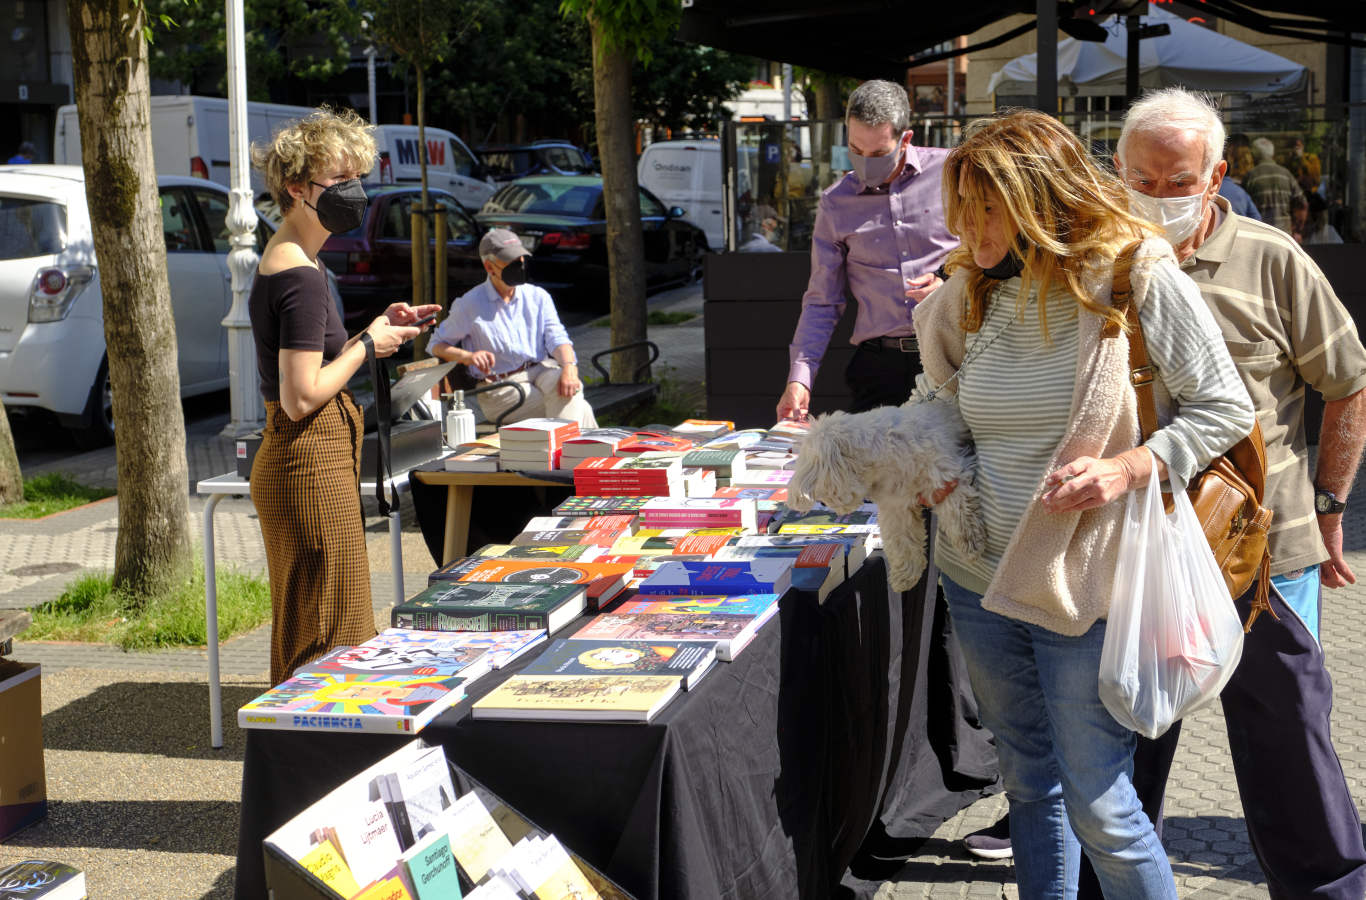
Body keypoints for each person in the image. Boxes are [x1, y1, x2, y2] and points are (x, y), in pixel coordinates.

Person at [912, 108, 1254, 897]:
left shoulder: (1133, 274)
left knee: (1102, 805)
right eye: (960, 207)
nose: (969, 227)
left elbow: (1224, 407)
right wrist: (927, 458)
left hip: (1085, 581)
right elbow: (939, 404)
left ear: (1041, 198)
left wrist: (1128, 467)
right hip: (976, 575)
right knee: (1030, 787)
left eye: (986, 206)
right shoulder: (969, 292)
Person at [1079, 86, 1366, 900]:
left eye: (1179, 181)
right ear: (1117, 171)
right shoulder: (1098, 263)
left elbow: (1347, 381)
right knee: (1129, 740)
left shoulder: (1272, 259)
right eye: (1144, 178)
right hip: (1132, 548)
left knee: (1290, 745)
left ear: (1218, 175)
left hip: (1263, 552)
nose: (1160, 197)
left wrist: (1333, 504)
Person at [248, 107, 437, 685]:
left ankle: (306, 758)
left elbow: (306, 370)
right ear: (297, 189)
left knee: (318, 623)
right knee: (327, 636)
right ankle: (308, 761)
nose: (354, 193)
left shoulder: (293, 260)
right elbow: (301, 396)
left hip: (307, 463)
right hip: (306, 464)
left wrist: (372, 330)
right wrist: (368, 344)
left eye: (359, 178)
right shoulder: (301, 276)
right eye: (340, 181)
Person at [775, 79, 956, 420]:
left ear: (905, 140)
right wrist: (800, 378)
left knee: (952, 468)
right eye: (855, 151)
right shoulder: (836, 203)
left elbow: (988, 253)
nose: (865, 162)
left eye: (877, 154)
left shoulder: (953, 174)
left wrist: (950, 286)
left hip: (952, 354)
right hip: (879, 366)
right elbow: (822, 300)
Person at [429, 228, 596, 429]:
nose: (519, 266)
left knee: (570, 386)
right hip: (500, 388)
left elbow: (558, 338)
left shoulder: (537, 296)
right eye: (511, 262)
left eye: (521, 260)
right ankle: (581, 456)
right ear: (489, 267)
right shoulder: (470, 304)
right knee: (578, 407)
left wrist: (570, 367)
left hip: (539, 371)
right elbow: (436, 345)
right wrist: (467, 357)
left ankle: (570, 454)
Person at [1242, 136, 1302, 233]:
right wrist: (1297, 229)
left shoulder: (1251, 176)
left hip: (1261, 234)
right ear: (1272, 153)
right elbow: (1302, 203)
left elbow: (1243, 208)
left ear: (1254, 155)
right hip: (1284, 234)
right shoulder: (1286, 174)